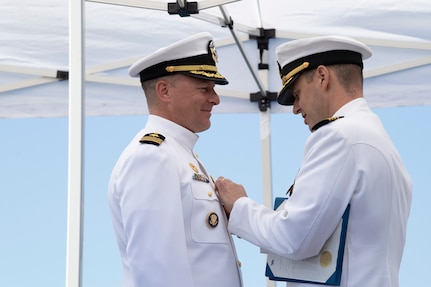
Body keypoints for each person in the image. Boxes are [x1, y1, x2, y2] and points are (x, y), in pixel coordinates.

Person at [215, 35, 412, 287]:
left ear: (322, 76)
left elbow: (295, 238)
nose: (295, 108)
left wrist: (241, 207)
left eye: (296, 94)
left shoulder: (339, 136)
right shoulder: (375, 137)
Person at [108, 32, 243, 287]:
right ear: (164, 91)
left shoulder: (177, 154)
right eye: (205, 88)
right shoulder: (152, 156)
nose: (215, 99)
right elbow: (156, 271)